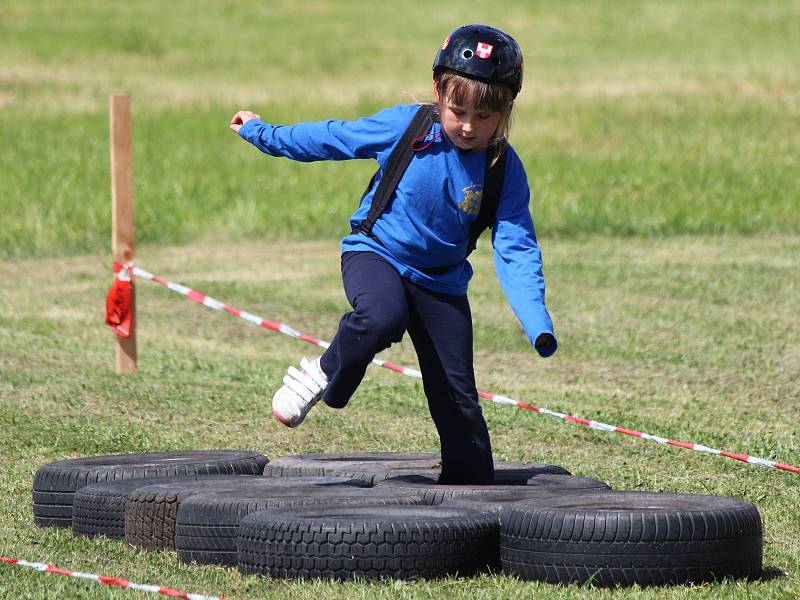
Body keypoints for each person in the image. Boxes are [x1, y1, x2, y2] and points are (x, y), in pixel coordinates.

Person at [229, 24, 557, 484]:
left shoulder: (503, 169)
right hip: (375, 252)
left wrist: (536, 320)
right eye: (457, 110)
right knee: (382, 314)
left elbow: (516, 245)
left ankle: (469, 486)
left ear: (506, 110)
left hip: (440, 282)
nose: (467, 126)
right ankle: (321, 372)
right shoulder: (408, 126)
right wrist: (263, 133)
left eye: (484, 118)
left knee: (458, 398)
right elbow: (331, 138)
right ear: (438, 91)